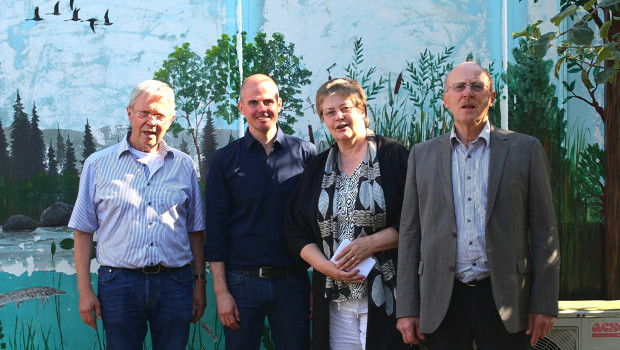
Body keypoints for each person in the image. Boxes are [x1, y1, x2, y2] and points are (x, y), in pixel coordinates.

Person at [396, 61, 560, 349]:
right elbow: (410, 236)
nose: (467, 94)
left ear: (492, 97)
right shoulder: (421, 156)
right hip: (440, 300)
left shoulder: (526, 150)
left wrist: (544, 303)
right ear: (446, 99)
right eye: (459, 87)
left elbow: (545, 234)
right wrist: (408, 308)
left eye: (477, 86)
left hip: (507, 299)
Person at [68, 79, 206, 350]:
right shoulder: (97, 165)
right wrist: (85, 291)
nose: (151, 121)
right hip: (119, 284)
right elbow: (83, 231)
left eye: (159, 115)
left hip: (175, 283)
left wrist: (199, 283)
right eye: (144, 113)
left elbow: (196, 230)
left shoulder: (184, 165)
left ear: (171, 119)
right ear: (129, 113)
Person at [286, 78, 410, 350]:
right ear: (323, 119)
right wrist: (324, 266)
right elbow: (295, 231)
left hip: (388, 297)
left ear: (362, 110)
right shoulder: (317, 168)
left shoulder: (394, 157)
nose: (338, 117)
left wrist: (372, 243)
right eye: (329, 112)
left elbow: (418, 220)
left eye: (345, 108)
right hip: (333, 299)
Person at [204, 74, 317, 350]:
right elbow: (215, 231)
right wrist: (221, 292)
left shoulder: (306, 154)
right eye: (253, 102)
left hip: (293, 283)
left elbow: (317, 225)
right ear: (241, 108)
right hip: (241, 284)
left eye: (268, 101)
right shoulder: (223, 161)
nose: (261, 109)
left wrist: (316, 286)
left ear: (279, 104)